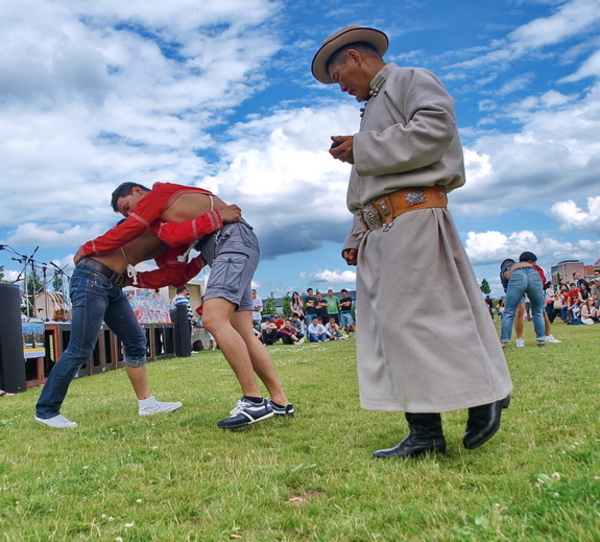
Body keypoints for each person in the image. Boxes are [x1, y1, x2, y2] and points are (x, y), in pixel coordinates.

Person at [312, 25, 512, 458]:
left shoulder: (411, 80)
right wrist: (357, 231)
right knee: (396, 327)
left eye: (339, 76)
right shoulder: (372, 109)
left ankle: (485, 394)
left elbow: (435, 130)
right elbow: (371, 185)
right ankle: (426, 431)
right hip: (383, 227)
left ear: (355, 57)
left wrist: (363, 146)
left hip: (416, 218)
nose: (341, 87)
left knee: (432, 317)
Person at [75, 182, 294, 428]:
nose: (130, 215)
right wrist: (135, 279)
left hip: (230, 242)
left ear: (138, 191)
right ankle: (280, 402)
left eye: (127, 207)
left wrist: (89, 248)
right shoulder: (162, 221)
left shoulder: (158, 194)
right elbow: (173, 253)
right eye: (124, 214)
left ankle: (253, 400)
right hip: (225, 248)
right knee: (243, 331)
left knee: (213, 319)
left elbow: (132, 228)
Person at [35, 230, 201, 428]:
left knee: (136, 341)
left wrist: (202, 259)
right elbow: (118, 233)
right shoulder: (153, 222)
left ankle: (147, 404)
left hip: (114, 286)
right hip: (91, 279)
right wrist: (86, 249)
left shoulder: (177, 239)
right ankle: (47, 411)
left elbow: (172, 275)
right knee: (80, 349)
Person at [513, 252, 561, 346]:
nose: (533, 264)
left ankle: (548, 335)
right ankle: (519, 339)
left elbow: (542, 280)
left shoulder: (536, 269)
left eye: (534, 262)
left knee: (542, 312)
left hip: (535, 291)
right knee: (520, 312)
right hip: (521, 292)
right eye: (531, 262)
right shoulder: (516, 270)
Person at [499, 258, 545, 348]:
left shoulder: (504, 271)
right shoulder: (523, 265)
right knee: (538, 311)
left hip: (517, 277)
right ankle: (541, 341)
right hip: (534, 273)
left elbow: (507, 289)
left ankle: (504, 342)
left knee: (509, 312)